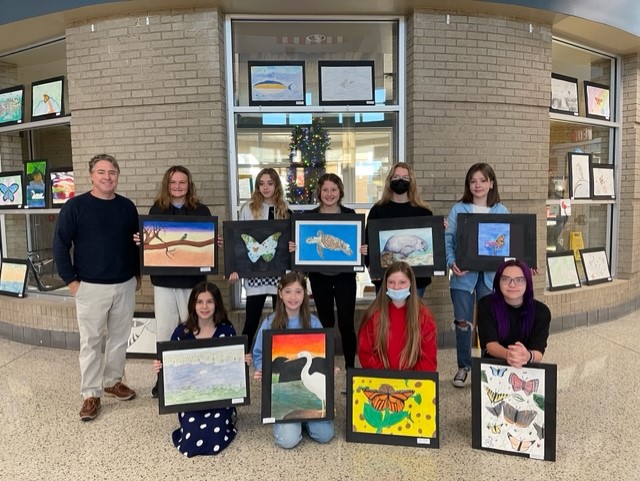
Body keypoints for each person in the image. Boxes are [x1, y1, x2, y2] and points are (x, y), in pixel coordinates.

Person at [52, 154, 140, 421]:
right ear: (91, 175)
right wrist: (71, 281)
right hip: (89, 286)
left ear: (118, 175)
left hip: (124, 284)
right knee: (91, 342)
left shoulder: (127, 207)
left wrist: (137, 275)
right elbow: (60, 245)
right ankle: (91, 394)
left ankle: (112, 381)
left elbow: (136, 243)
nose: (107, 177)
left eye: (112, 172)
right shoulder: (75, 207)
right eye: (101, 172)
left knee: (118, 339)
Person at [153, 282, 243, 457]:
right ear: (193, 304)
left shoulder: (227, 330)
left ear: (216, 303)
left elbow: (233, 369)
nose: (204, 306)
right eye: (199, 301)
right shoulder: (181, 333)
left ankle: (226, 419)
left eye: (209, 301)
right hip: (190, 397)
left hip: (219, 397)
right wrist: (160, 366)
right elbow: (171, 367)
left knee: (214, 435)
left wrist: (242, 360)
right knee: (192, 438)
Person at [144, 166, 211, 397]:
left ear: (189, 185)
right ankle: (163, 379)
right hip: (163, 282)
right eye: (173, 182)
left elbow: (205, 244)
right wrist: (141, 241)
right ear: (167, 184)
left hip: (192, 283)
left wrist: (213, 243)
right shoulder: (157, 210)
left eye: (182, 182)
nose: (178, 186)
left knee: (193, 329)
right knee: (165, 332)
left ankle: (193, 377)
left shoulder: (201, 211)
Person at [252, 271, 334, 449]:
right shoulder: (269, 323)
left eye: (298, 291)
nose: (293, 297)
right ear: (280, 293)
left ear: (305, 294)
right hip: (282, 396)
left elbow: (325, 354)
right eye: (288, 291)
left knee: (325, 435)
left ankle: (305, 420)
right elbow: (258, 354)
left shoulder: (314, 323)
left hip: (311, 395)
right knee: (288, 441)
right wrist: (261, 369)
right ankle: (293, 421)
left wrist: (329, 368)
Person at [445, 162, 508, 387]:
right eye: (473, 181)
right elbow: (448, 240)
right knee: (463, 321)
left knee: (488, 321)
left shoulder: (501, 211)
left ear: (491, 183)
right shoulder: (458, 210)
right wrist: (451, 262)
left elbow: (507, 244)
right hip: (463, 275)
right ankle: (464, 366)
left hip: (491, 277)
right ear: (468, 185)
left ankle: (488, 368)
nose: (478, 185)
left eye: (482, 180)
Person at [298, 173, 366, 369]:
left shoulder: (350, 216)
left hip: (345, 277)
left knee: (346, 325)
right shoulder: (309, 217)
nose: (329, 194)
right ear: (319, 192)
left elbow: (357, 242)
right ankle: (325, 368)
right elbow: (305, 245)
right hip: (320, 278)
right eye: (325, 190)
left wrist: (362, 249)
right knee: (326, 323)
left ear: (340, 192)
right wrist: (297, 247)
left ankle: (350, 369)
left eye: (333, 190)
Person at [229, 168, 290, 351]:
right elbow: (240, 241)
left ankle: (278, 356)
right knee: (252, 319)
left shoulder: (284, 208)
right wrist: (236, 268)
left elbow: (289, 240)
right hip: (255, 271)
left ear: (276, 185)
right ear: (257, 186)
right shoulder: (248, 208)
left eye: (270, 183)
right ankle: (244, 357)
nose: (265, 187)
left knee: (280, 319)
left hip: (278, 273)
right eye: (261, 183)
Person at [366, 162, 433, 298]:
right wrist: (372, 269)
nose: (400, 180)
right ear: (389, 180)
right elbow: (368, 243)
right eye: (396, 177)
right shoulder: (378, 210)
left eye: (405, 177)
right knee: (385, 318)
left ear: (412, 182)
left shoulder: (424, 212)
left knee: (412, 318)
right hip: (385, 280)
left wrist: (440, 230)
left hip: (417, 281)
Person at [358, 261, 437, 371]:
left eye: (402, 282)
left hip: (412, 384)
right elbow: (366, 353)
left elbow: (428, 358)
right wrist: (386, 378)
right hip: (381, 381)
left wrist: (411, 382)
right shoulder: (373, 315)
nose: (396, 287)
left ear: (411, 284)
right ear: (385, 284)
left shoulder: (424, 317)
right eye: (391, 282)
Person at [477, 259, 551, 367]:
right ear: (498, 282)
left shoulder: (541, 312)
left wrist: (527, 356)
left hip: (527, 365)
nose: (512, 285)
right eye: (506, 279)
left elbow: (538, 352)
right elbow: (490, 344)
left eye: (519, 280)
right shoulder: (486, 304)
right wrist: (509, 355)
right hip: (495, 363)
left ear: (528, 283)